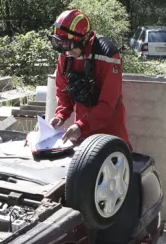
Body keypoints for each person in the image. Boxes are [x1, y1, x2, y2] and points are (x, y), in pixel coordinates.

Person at [48, 8, 129, 147]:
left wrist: (81, 125)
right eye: (62, 46)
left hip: (110, 132)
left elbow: (109, 103)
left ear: (84, 39)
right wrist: (60, 115)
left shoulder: (108, 56)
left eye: (70, 46)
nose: (67, 51)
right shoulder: (67, 54)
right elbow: (63, 90)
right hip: (82, 132)